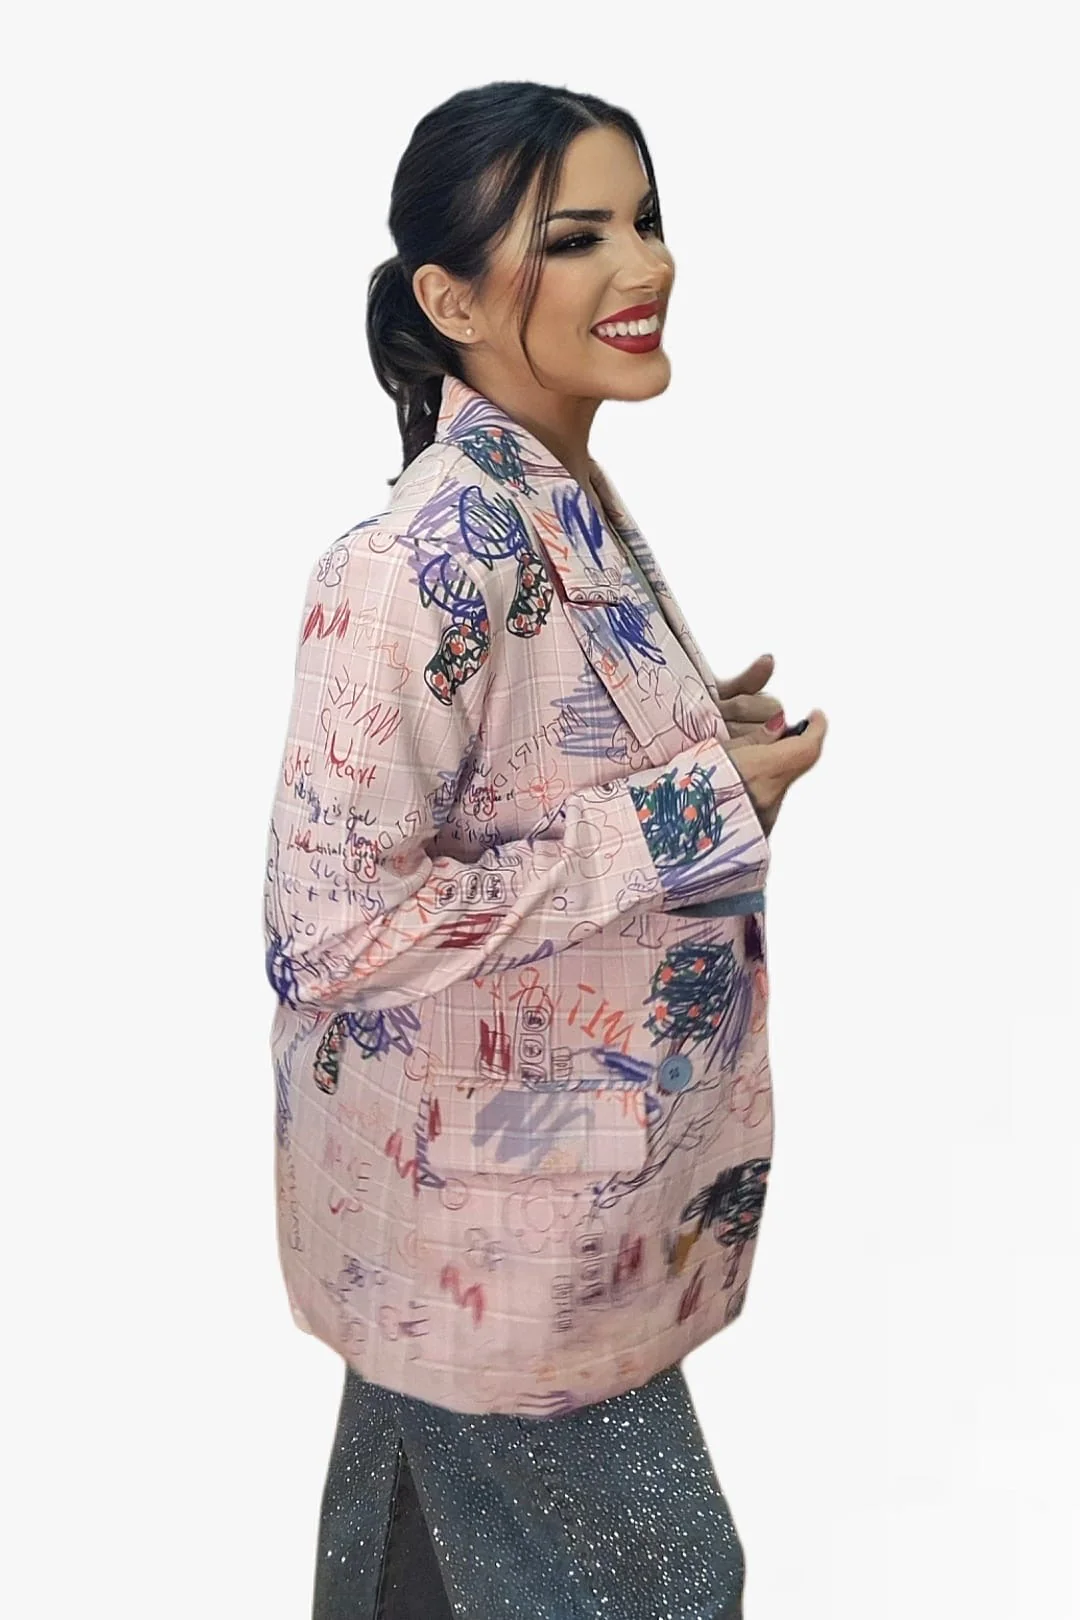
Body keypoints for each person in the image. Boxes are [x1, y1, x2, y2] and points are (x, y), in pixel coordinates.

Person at [263, 79, 827, 1620]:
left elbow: (510, 773)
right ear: (450, 302)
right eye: (576, 238)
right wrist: (691, 812)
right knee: (662, 1584)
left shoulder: (552, 497)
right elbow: (328, 929)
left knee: (408, 1555)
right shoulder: (415, 564)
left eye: (645, 222)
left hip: (526, 1187)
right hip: (498, 1217)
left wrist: (689, 737)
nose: (644, 267)